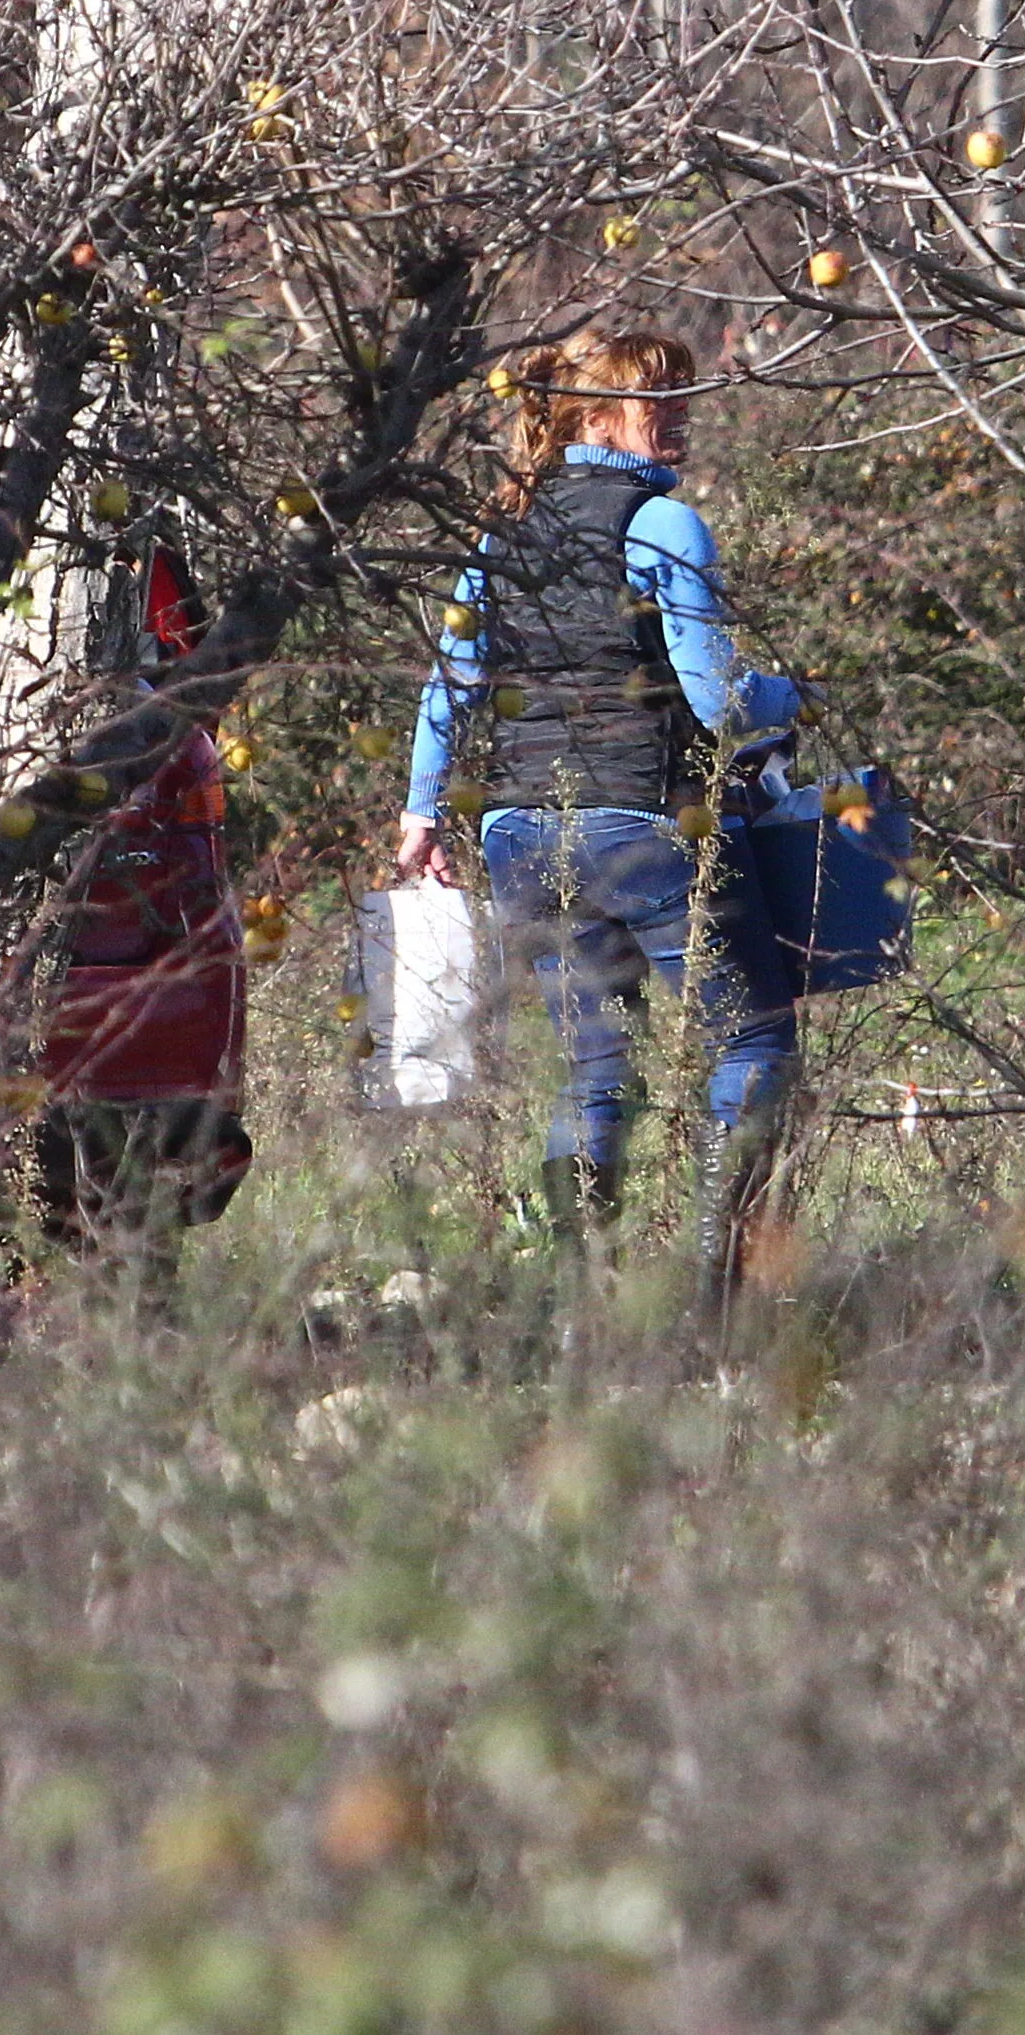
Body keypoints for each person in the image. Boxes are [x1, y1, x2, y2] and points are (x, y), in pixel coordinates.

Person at [392, 325, 800, 1311]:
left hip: (520, 838)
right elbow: (716, 700)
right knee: (753, 1044)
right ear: (600, 415)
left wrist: (419, 815)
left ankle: (582, 1311)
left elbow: (448, 685)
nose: (681, 416)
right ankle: (718, 1297)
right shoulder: (663, 526)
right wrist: (790, 698)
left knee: (592, 1067)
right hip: (644, 828)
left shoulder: (502, 532)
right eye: (659, 401)